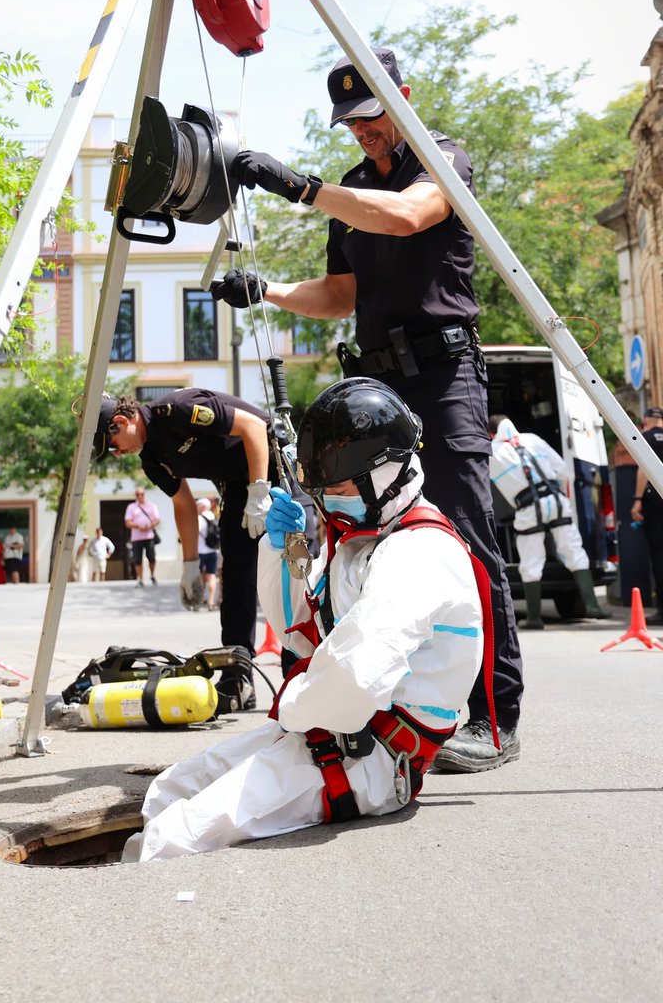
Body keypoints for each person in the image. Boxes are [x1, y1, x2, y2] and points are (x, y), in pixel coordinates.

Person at [211, 45, 522, 773]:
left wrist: (297, 187)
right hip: (377, 393)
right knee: (372, 541)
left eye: (371, 116)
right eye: (350, 122)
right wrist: (270, 291)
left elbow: (409, 219)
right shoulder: (351, 188)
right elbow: (341, 294)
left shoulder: (441, 161)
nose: (362, 132)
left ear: (402, 97)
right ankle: (408, 704)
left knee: (464, 534)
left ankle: (493, 715)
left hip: (443, 376)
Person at [121, 378, 487, 863]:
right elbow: (300, 622)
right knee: (172, 788)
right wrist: (283, 548)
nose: (327, 502)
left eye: (334, 489)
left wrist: (293, 706)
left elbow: (356, 675)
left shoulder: (419, 553)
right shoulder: (365, 539)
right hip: (334, 728)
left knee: (179, 833)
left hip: (371, 758)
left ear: (381, 476)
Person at [93, 388, 290, 713]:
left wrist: (260, 492)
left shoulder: (177, 410)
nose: (116, 453)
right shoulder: (151, 459)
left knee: (290, 574)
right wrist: (189, 565)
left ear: (120, 421)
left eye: (112, 445)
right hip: (240, 490)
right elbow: (183, 502)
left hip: (272, 472)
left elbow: (254, 426)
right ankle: (238, 676)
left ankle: (299, 673)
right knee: (237, 583)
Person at [488, 415, 609, 629]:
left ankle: (534, 618)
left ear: (491, 433)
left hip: (528, 508)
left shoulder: (493, 452)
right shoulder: (533, 439)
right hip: (556, 499)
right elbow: (562, 468)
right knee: (573, 550)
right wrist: (560, 494)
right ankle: (593, 607)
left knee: (531, 560)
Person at [630, 406, 663, 624]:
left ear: (645, 421)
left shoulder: (645, 439)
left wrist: (637, 500)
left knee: (659, 554)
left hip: (655, 500)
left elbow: (643, 469)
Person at [123, 486, 160, 587]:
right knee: (137, 559)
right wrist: (138, 526)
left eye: (142, 494)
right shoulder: (131, 507)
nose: (140, 496)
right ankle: (140, 579)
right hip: (136, 538)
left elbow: (157, 519)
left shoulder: (152, 506)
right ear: (135, 495)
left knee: (151, 558)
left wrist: (149, 526)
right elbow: (127, 522)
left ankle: (152, 575)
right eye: (137, 494)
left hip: (149, 537)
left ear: (145, 494)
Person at [195, 497, 219, 611]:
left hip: (200, 551)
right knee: (211, 576)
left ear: (203, 506)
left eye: (198, 505)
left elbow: (196, 532)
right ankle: (210, 602)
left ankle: (198, 601)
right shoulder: (213, 516)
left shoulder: (199, 518)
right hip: (213, 551)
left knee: (199, 577)